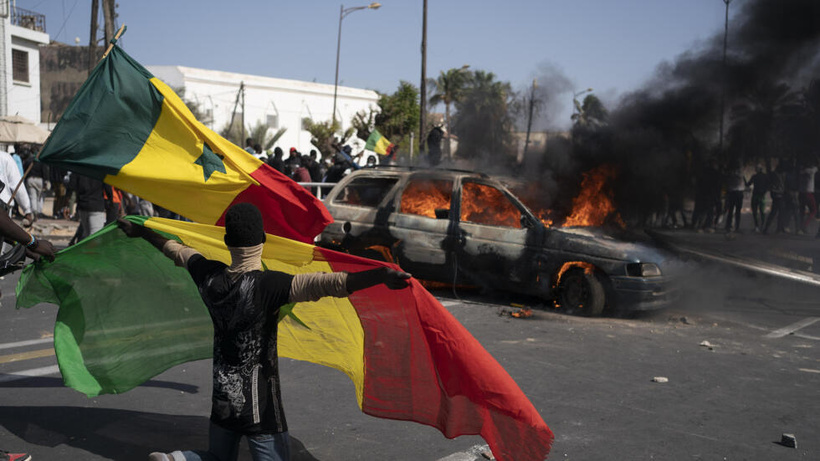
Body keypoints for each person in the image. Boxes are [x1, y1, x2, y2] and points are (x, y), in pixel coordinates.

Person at [117, 203, 410, 461]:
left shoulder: (209, 276)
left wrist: (141, 231)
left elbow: (178, 251)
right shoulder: (270, 286)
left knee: (218, 458)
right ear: (263, 240)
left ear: (227, 241)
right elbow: (329, 283)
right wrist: (381, 276)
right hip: (260, 408)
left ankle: (174, 459)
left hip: (222, 393)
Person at [746, 164, 769, 233]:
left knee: (755, 212)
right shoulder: (765, 176)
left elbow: (748, 184)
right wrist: (765, 191)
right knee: (762, 212)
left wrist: (744, 179)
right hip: (762, 196)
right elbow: (768, 185)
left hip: (755, 195)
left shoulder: (754, 176)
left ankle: (757, 226)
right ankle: (762, 225)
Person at [723, 161, 745, 233]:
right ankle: (736, 227)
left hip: (732, 191)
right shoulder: (740, 173)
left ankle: (728, 226)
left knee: (731, 210)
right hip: (738, 192)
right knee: (737, 211)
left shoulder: (729, 173)